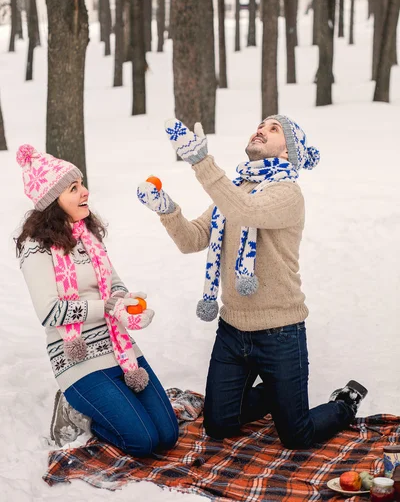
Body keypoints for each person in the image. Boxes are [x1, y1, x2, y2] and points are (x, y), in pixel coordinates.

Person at [137, 115, 368, 449]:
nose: (261, 129)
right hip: (233, 331)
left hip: (281, 332)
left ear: (288, 152)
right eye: (261, 124)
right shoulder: (236, 189)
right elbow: (193, 239)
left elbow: (245, 211)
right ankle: (278, 395)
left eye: (274, 129)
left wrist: (201, 161)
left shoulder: (288, 194)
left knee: (296, 435)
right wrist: (167, 209)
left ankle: (343, 403)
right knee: (218, 425)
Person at [16, 144, 178, 456]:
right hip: (75, 357)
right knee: (142, 441)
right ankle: (76, 413)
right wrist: (105, 307)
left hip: (118, 346)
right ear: (52, 201)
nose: (85, 192)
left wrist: (125, 306)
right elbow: (50, 312)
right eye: (73, 188)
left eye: (82, 184)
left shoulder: (86, 234)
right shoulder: (35, 247)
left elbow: (114, 284)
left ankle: (116, 403)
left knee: (168, 435)